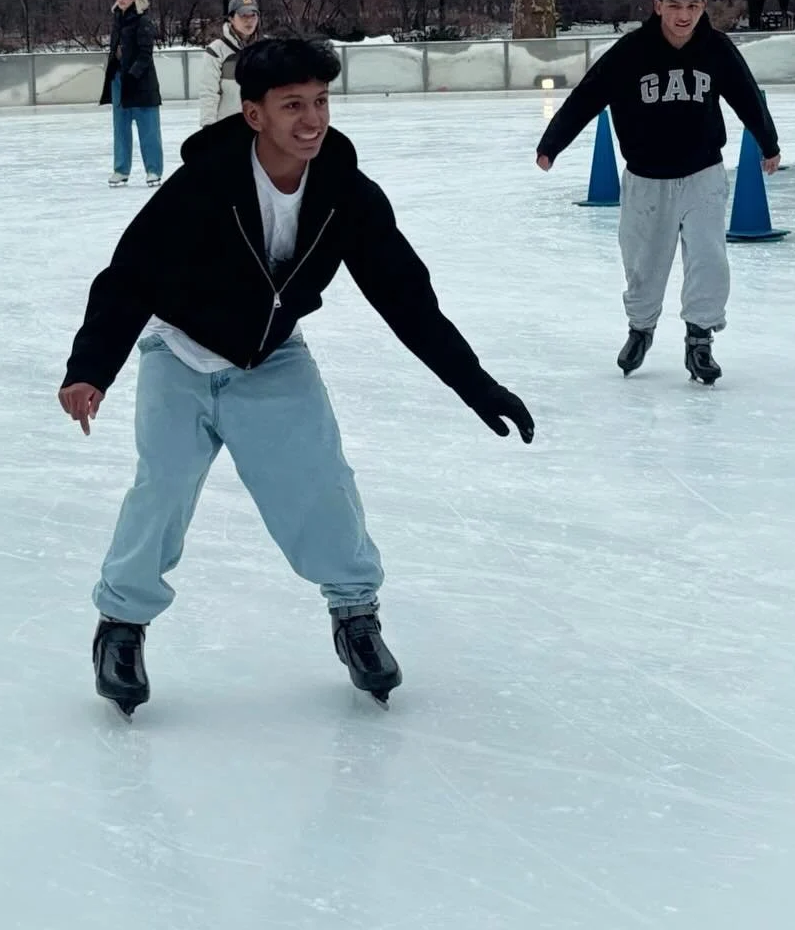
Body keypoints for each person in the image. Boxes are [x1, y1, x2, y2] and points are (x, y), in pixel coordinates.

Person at [59, 36, 534, 716]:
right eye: (291, 106)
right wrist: (91, 369)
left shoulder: (345, 192)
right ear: (253, 114)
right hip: (182, 352)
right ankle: (122, 629)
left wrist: (476, 384)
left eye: (319, 102)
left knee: (320, 484)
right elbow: (129, 277)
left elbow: (406, 297)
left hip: (270, 359)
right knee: (161, 491)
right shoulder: (205, 184)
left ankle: (356, 618)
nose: (311, 121)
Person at [535, 0, 782, 384]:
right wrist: (552, 145)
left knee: (708, 258)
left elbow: (745, 93)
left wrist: (768, 142)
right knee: (644, 261)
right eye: (674, 5)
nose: (683, 15)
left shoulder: (716, 49)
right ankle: (641, 329)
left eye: (692, 5)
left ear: (704, 6)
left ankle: (700, 339)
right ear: (657, 5)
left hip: (703, 173)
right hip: (646, 179)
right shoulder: (632, 52)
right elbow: (587, 96)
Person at [101, 0, 163, 187]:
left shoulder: (142, 21)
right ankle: (121, 169)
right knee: (121, 128)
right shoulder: (117, 19)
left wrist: (133, 74)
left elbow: (146, 53)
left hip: (141, 83)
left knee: (148, 129)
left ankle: (153, 170)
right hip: (119, 80)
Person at [196, 0, 261, 127]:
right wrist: (208, 125)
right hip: (228, 127)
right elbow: (209, 92)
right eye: (243, 15)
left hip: (260, 128)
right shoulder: (216, 50)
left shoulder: (266, 49)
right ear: (231, 18)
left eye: (253, 15)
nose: (249, 20)